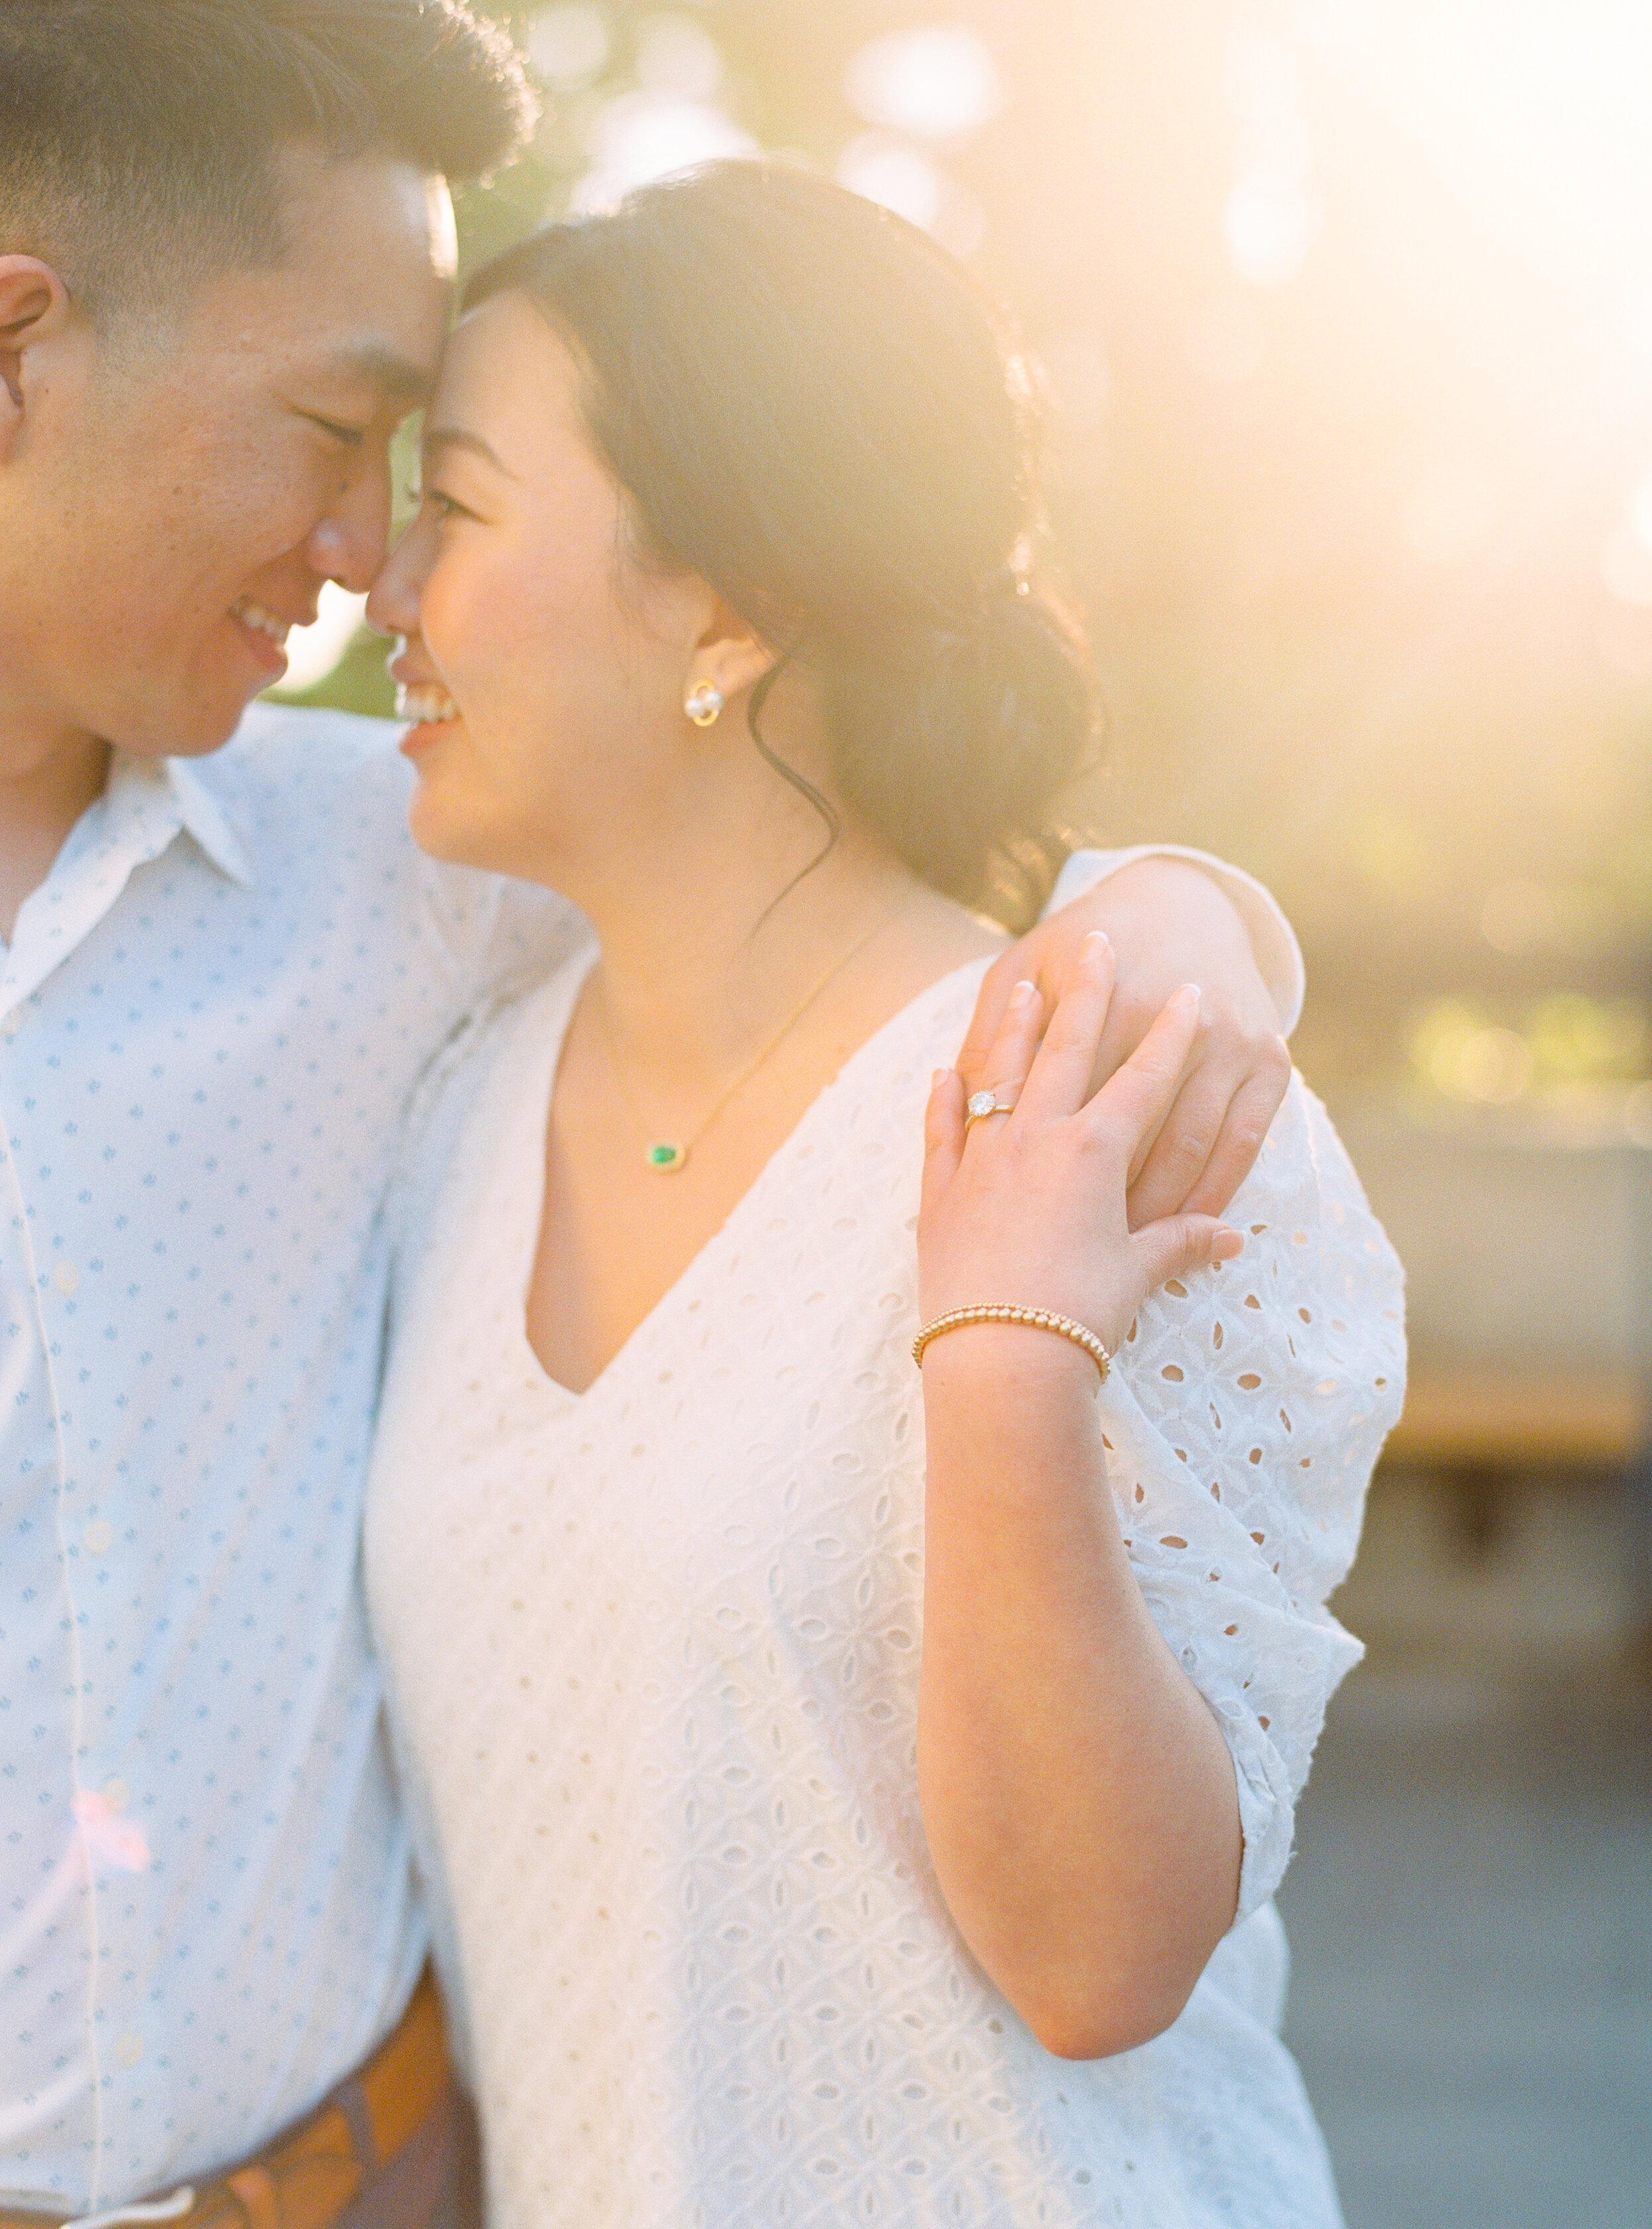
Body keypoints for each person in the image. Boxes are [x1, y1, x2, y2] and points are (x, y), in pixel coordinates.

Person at [0, 7, 1301, 2224]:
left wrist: (1180, 925)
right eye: (331, 431)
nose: (357, 560)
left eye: (423, 479)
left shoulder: (391, 881)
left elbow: (825, 872)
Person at [362, 161, 1405, 2228]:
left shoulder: (1104, 1100)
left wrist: (1004, 1355)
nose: (378, 585)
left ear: (730, 608)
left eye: (456, 507)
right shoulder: (457, 1095)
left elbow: (1098, 1961)